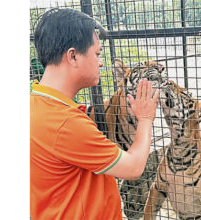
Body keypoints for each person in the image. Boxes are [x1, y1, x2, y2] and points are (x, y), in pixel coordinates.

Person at [30, 8, 159, 219]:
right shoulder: (65, 124)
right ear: (73, 56)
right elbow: (134, 168)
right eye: (97, 54)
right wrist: (145, 118)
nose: (100, 62)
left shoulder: (35, 105)